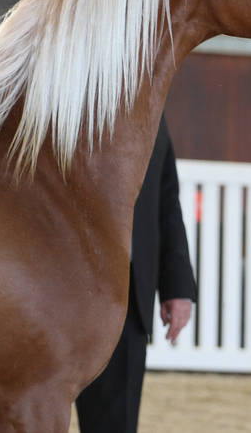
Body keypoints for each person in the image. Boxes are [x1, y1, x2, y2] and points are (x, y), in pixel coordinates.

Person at [75, 115, 197, 433]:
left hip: (125, 294)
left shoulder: (150, 101)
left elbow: (165, 197)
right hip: (43, 289)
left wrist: (177, 286)